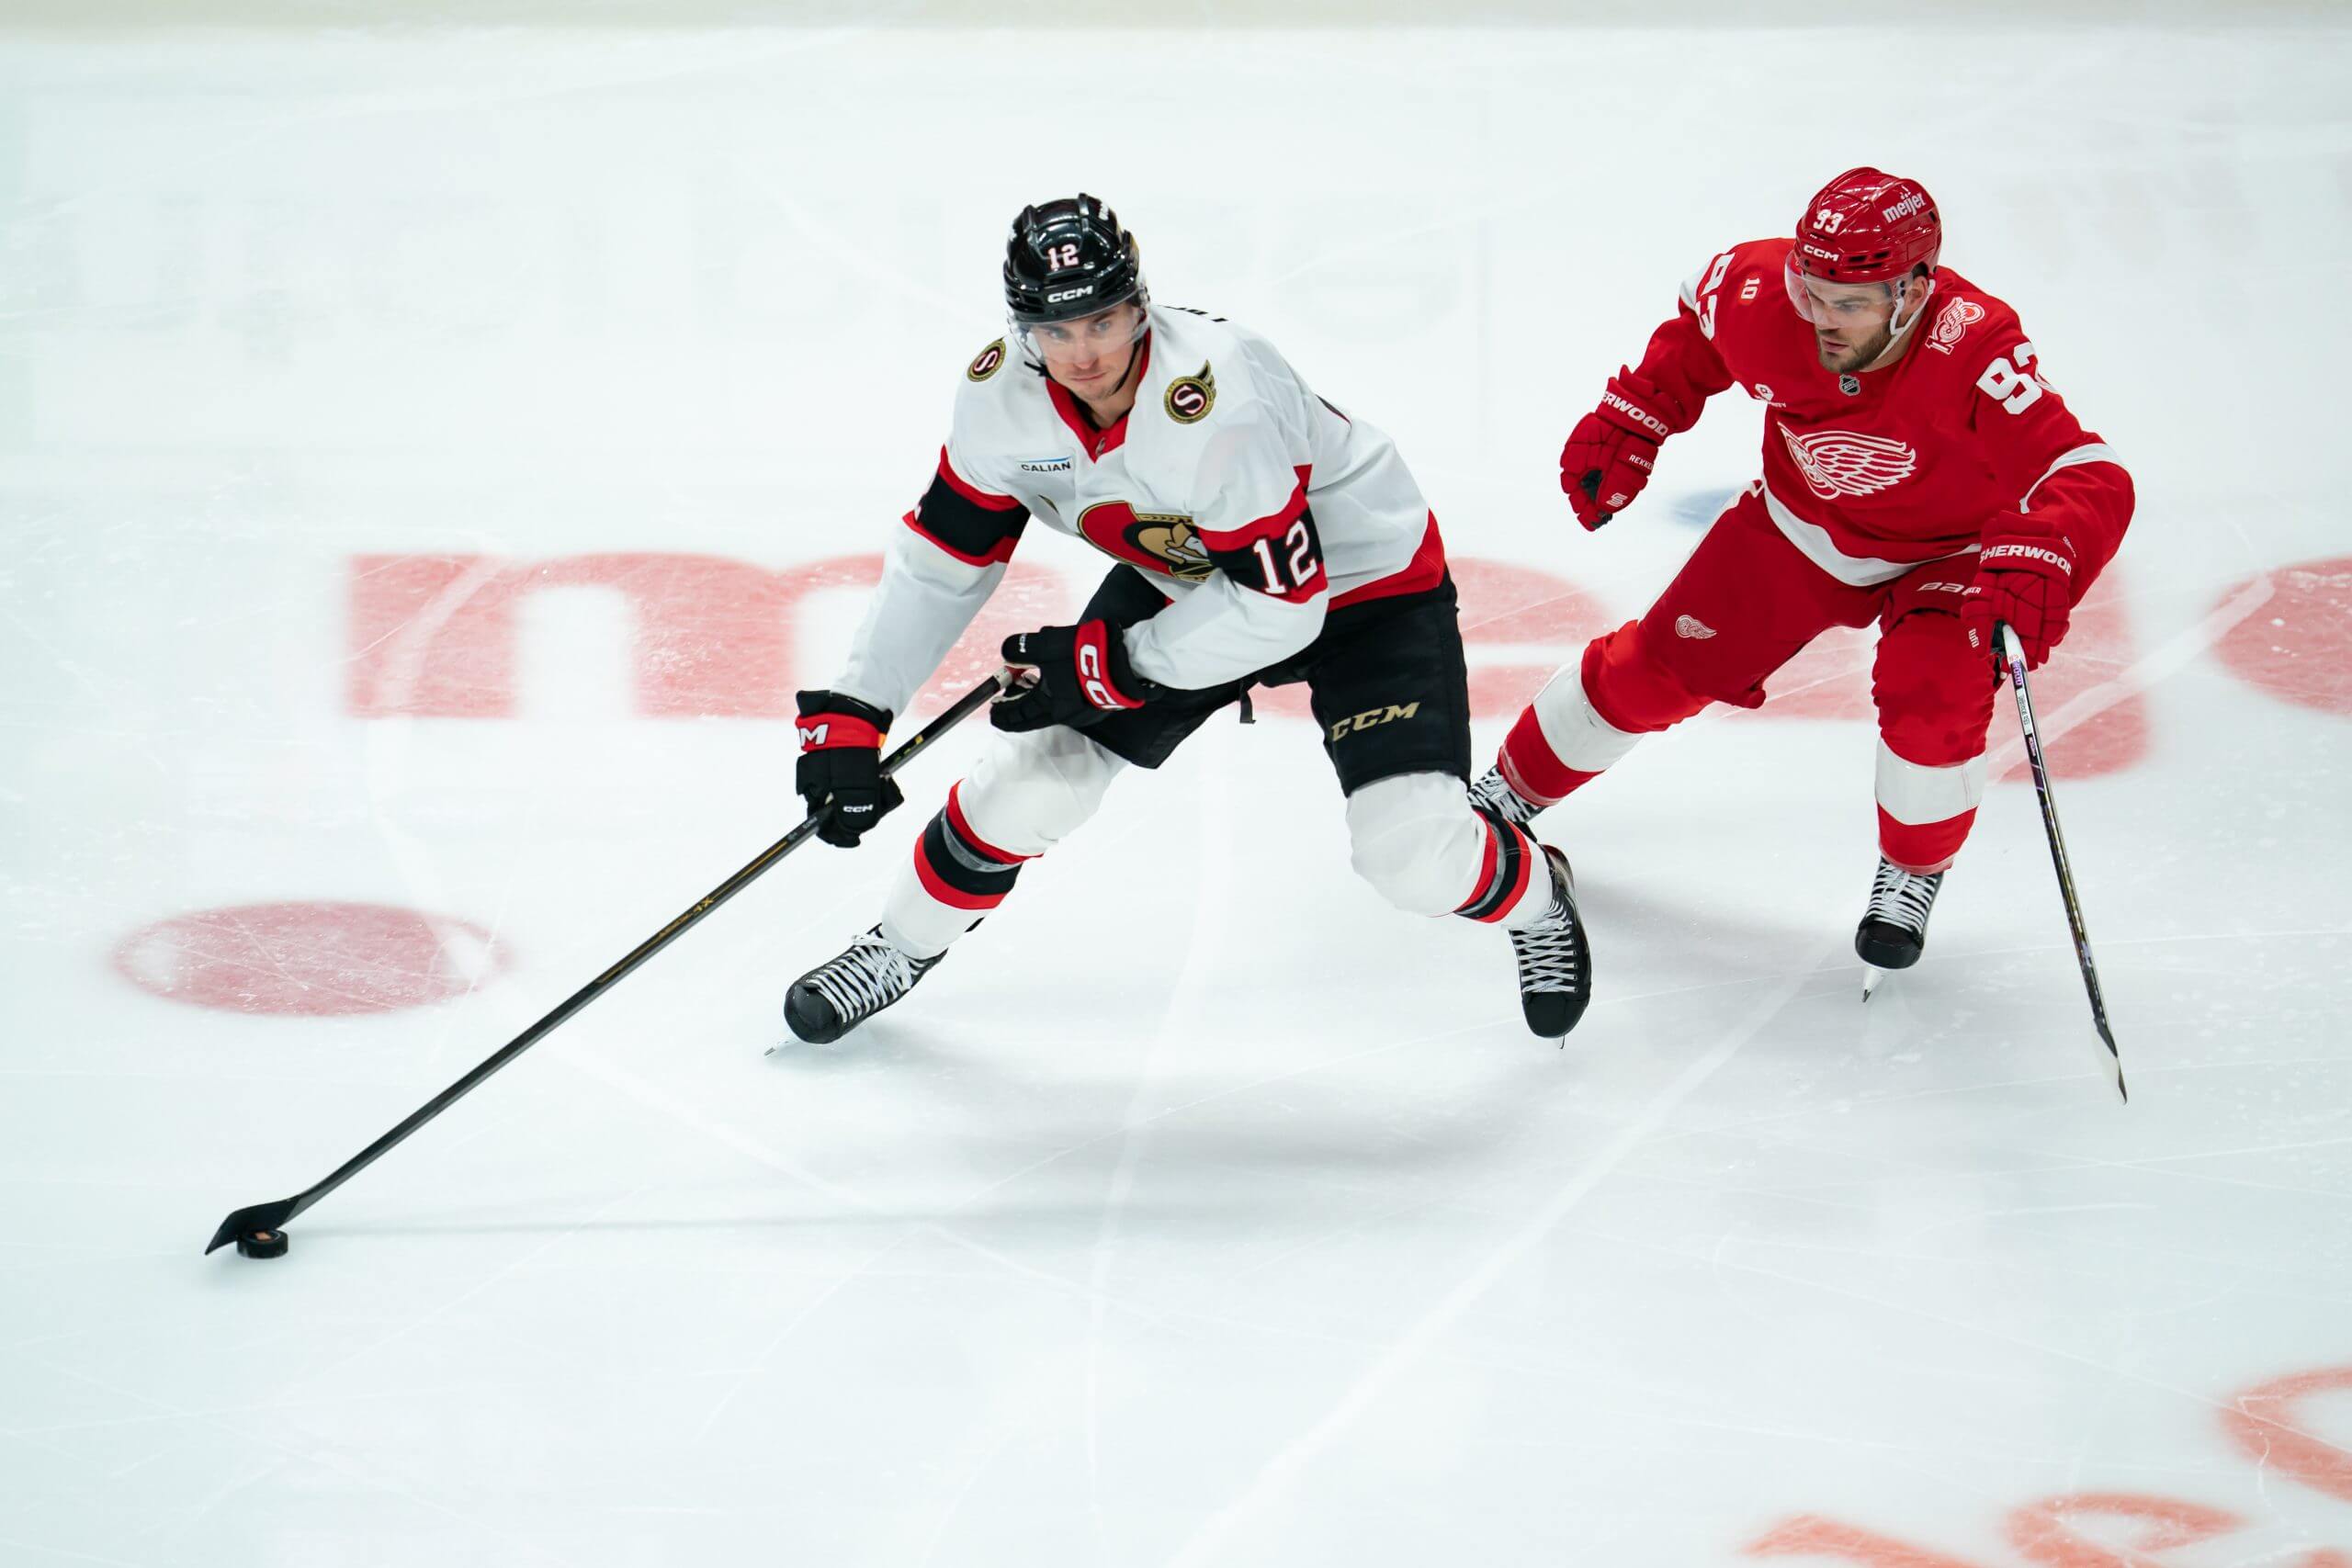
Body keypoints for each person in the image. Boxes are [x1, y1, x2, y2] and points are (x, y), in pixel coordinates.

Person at [784, 194, 1589, 1044]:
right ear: (1024, 331)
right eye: (1055, 332)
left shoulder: (1216, 394)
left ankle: (1539, 894)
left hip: (1362, 587)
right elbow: (944, 559)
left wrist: (1113, 663)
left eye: (1101, 321)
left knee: (1414, 855)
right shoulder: (998, 399)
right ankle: (899, 946)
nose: (1083, 354)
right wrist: (856, 708)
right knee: (1032, 781)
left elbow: (1284, 606)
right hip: (1189, 575)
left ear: (1139, 305)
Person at [1470, 167, 2132, 990]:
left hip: (1950, 554)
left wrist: (2050, 549)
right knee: (1660, 668)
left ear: (1915, 289)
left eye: (1848, 304)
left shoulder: (1976, 345)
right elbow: (1700, 335)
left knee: (1933, 693)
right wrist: (1638, 410)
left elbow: (2091, 473)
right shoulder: (1760, 292)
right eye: (1810, 290)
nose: (1821, 319)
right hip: (1801, 527)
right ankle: (1505, 793)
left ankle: (1912, 869)